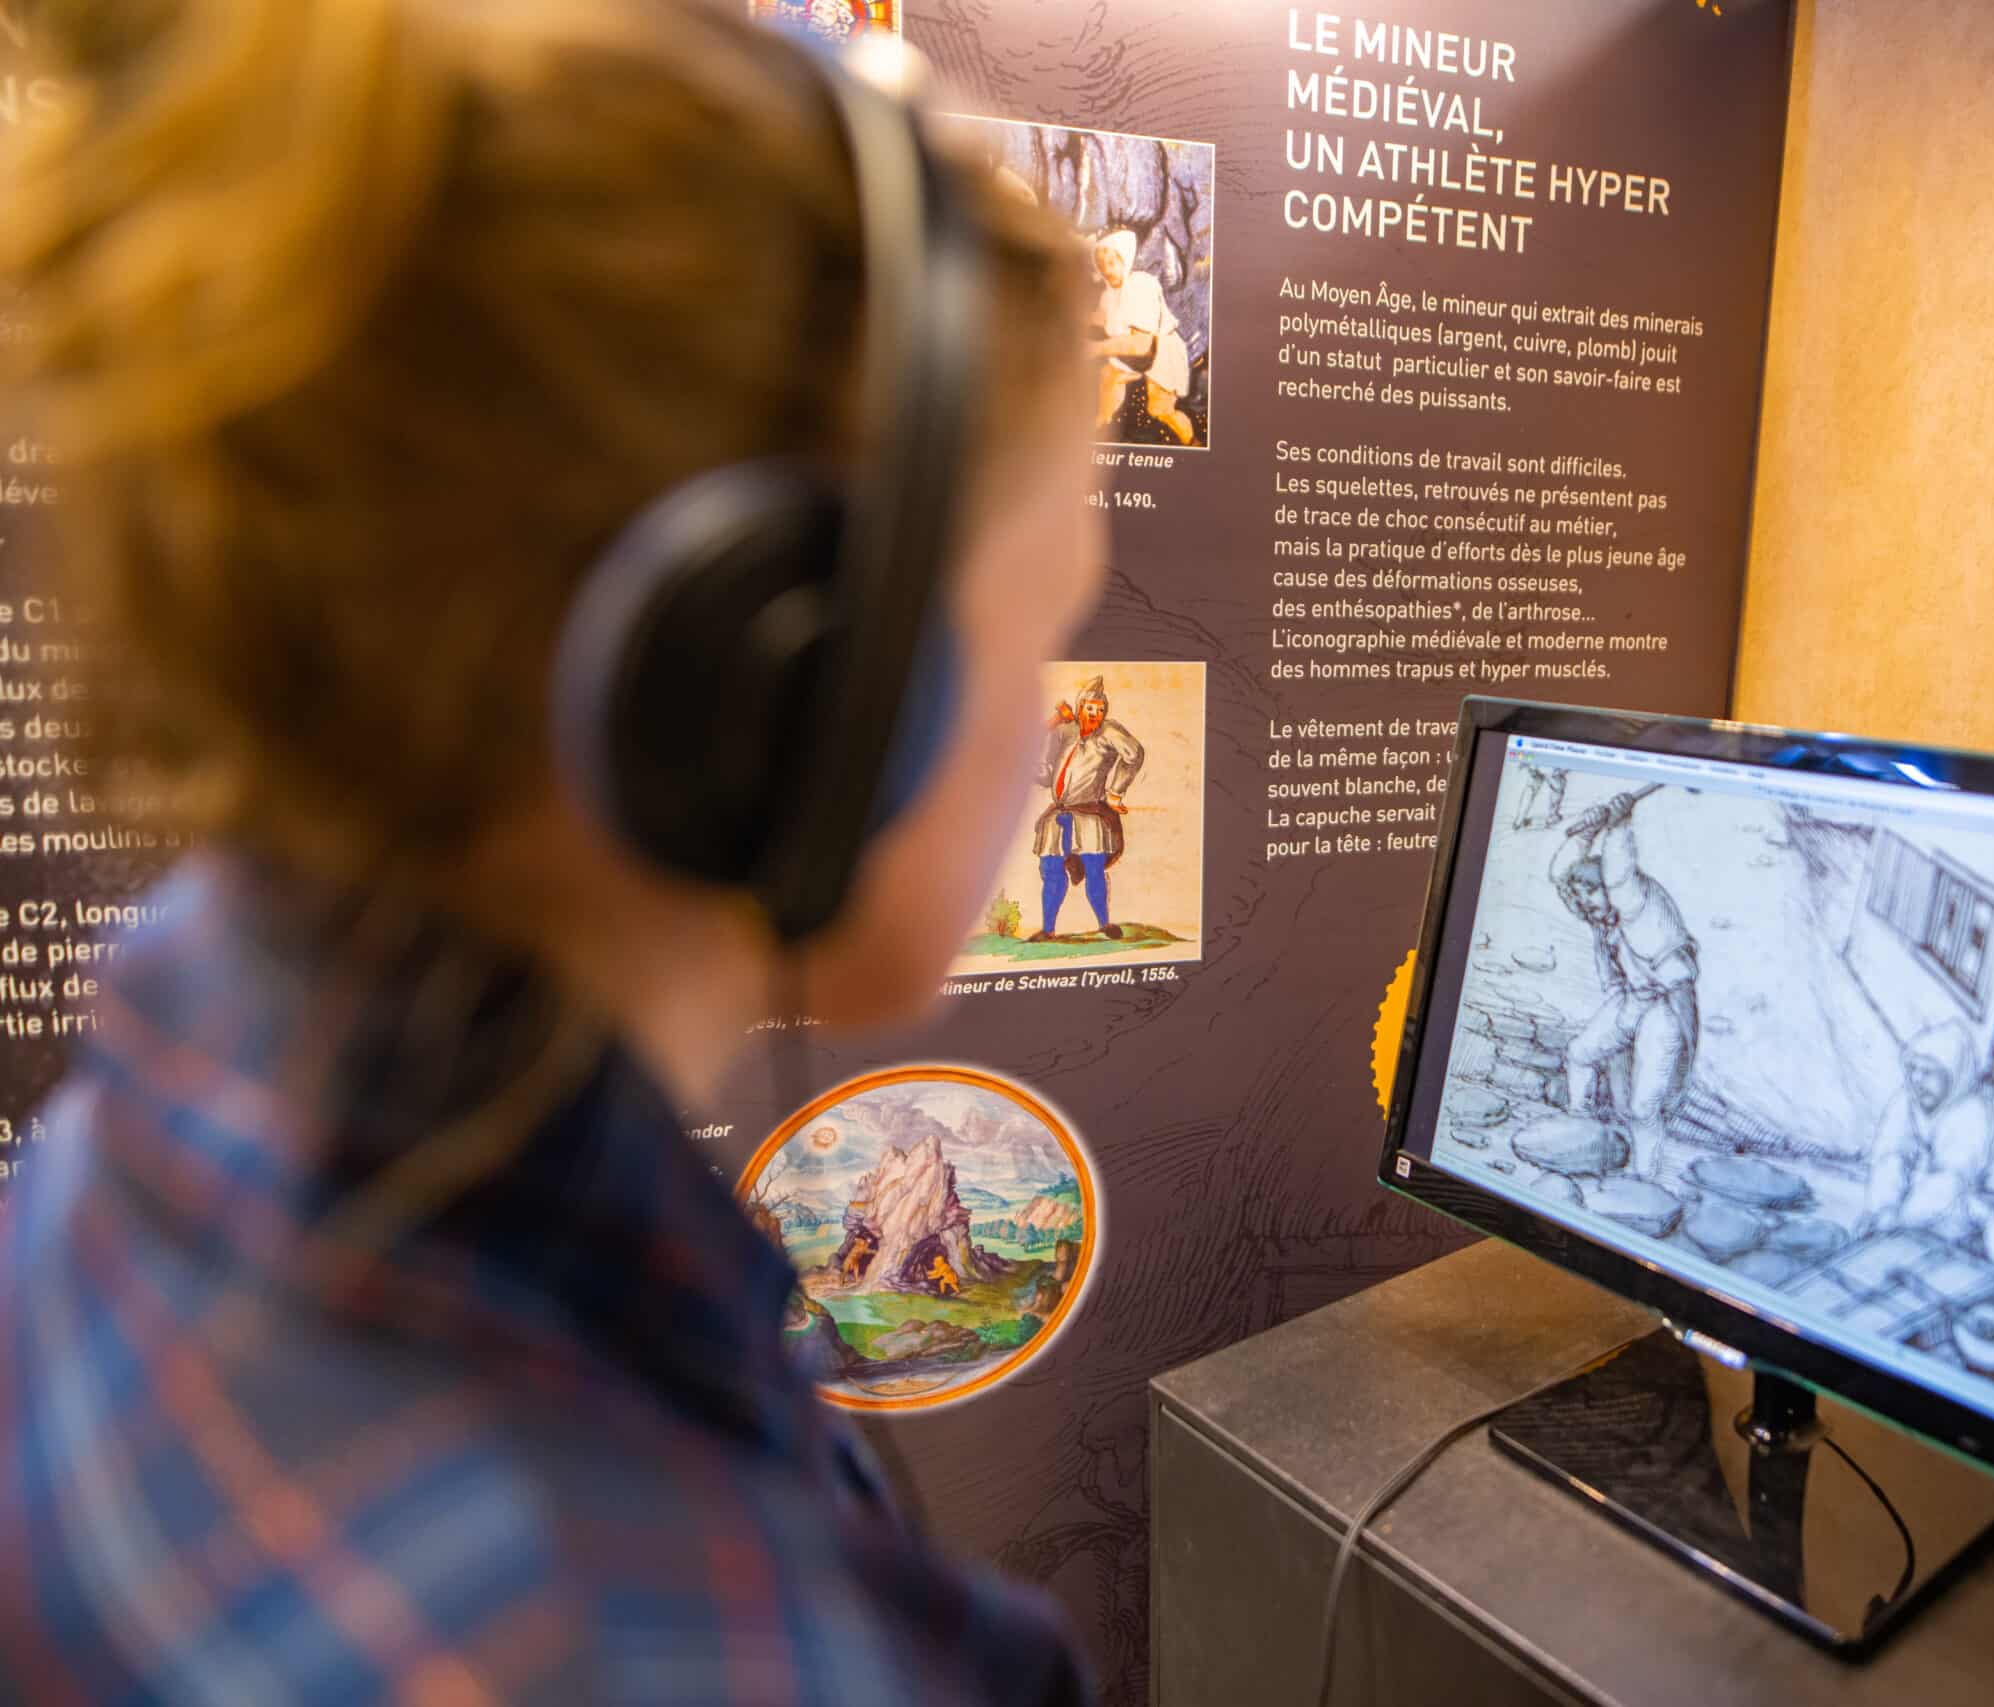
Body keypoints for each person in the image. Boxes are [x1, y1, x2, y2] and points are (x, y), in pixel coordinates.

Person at [0, 1, 1105, 1701]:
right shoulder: (688, 1648)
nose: (1043, 736)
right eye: (1042, 632)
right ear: (778, 683)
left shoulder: (156, 1095)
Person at [1856, 1024, 1994, 1398]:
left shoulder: (1974, 1110)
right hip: (1965, 1204)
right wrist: (1883, 1209)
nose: (1919, 1080)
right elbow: (1889, 1157)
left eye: (1930, 1073)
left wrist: (1901, 1219)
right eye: (1914, 1069)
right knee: (1933, 1269)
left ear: (1954, 1074)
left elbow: (1950, 1180)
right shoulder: (1905, 1104)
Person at [1551, 787, 1698, 1182]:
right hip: (1630, 1002)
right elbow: (1560, 873)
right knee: (1580, 1053)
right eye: (1580, 898)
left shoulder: (1638, 909)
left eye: (1590, 894)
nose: (1584, 905)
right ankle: (1578, 1131)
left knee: (1644, 1106)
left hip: (1663, 1011)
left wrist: (1618, 824)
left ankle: (1644, 1180)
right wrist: (1590, 828)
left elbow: (1618, 874)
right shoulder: (1600, 911)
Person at [1033, 676, 1146, 941]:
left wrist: (1116, 791)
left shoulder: (1108, 732)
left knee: (1094, 869)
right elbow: (1046, 769)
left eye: (1099, 709)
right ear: (1080, 706)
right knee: (1051, 871)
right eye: (1089, 708)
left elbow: (1134, 753)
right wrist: (1054, 721)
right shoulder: (1065, 731)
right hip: (1058, 815)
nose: (1094, 714)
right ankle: (1048, 929)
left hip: (1089, 815)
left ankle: (1104, 924)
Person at [1089, 229, 1197, 446]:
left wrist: (1095, 348)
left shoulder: (1141, 284)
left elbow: (1141, 345)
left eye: (1112, 262)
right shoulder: (1109, 294)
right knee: (1108, 376)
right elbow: (1105, 320)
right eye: (1102, 264)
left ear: (1124, 258)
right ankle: (1099, 427)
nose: (1107, 270)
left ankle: (1193, 442)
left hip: (1161, 351)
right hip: (1135, 351)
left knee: (1159, 409)